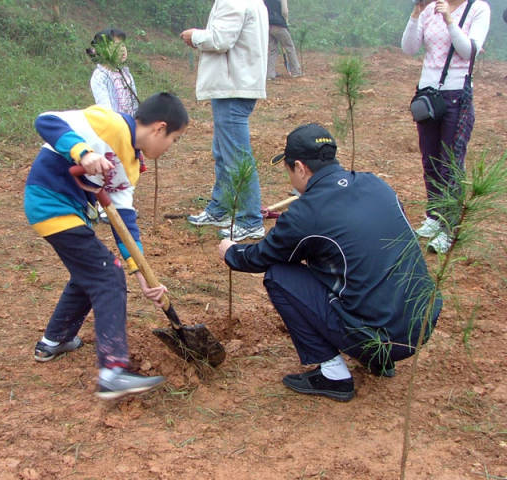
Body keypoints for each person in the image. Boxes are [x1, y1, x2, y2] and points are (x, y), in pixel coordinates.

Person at [218, 124, 442, 402]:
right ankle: (381, 361)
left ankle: (334, 375)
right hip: (420, 324)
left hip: (378, 337)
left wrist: (230, 251)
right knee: (354, 263)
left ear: (299, 167)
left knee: (280, 275)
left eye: (288, 171)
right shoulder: (375, 184)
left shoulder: (306, 214)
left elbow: (261, 257)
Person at [24, 93, 188, 400]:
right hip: (49, 201)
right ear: (159, 128)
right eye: (174, 139)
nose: (170, 147)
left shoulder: (131, 164)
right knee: (107, 275)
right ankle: (112, 371)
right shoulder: (109, 123)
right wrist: (83, 153)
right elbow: (45, 120)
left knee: (90, 272)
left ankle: (55, 340)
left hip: (67, 210)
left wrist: (142, 274)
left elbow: (124, 221)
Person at [401, 0, 490, 254]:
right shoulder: (429, 9)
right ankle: (434, 215)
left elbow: (469, 51)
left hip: (456, 97)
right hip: (428, 96)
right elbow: (409, 48)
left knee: (450, 163)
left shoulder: (478, 9)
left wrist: (450, 21)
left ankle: (449, 227)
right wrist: (417, 13)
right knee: (429, 159)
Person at [181, 0, 269, 242]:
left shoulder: (234, 1)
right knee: (224, 152)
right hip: (236, 85)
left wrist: (195, 36)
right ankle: (220, 208)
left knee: (236, 157)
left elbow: (220, 40)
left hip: (233, 87)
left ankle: (250, 220)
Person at [86, 27, 145, 223]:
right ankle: (105, 208)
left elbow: (133, 100)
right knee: (109, 169)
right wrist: (118, 126)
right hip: (111, 131)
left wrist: (137, 123)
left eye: (123, 44)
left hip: (129, 128)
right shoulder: (100, 76)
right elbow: (105, 107)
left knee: (127, 167)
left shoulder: (125, 73)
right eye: (115, 45)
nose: (122, 49)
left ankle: (123, 204)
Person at [265, 0, 303, 79]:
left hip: (267, 25)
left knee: (272, 50)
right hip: (279, 25)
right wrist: (286, 22)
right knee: (289, 47)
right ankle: (296, 71)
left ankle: (269, 74)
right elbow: (285, 11)